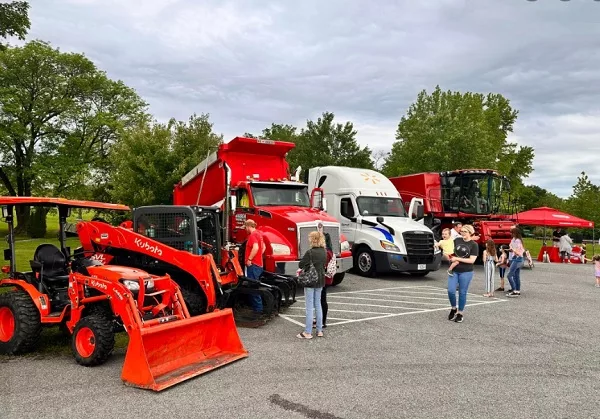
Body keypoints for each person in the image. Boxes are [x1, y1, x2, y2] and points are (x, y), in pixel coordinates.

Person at [297, 231, 327, 339]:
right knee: (318, 304)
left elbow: (301, 264)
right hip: (320, 280)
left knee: (309, 307)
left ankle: (308, 332)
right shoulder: (324, 251)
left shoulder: (310, 252)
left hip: (310, 280)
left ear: (313, 239)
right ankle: (319, 330)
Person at [447, 224, 479, 323]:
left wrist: (457, 259)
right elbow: (450, 251)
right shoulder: (457, 240)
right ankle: (453, 308)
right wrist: (450, 257)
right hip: (454, 270)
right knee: (451, 291)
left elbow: (471, 260)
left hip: (466, 271)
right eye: (461, 232)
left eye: (465, 232)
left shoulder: (474, 245)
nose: (462, 233)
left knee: (462, 292)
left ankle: (460, 313)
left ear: (470, 233)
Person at [244, 219, 265, 313]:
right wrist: (258, 255)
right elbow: (263, 247)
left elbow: (255, 247)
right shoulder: (259, 234)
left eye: (245, 227)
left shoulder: (252, 235)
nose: (245, 229)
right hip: (259, 264)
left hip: (253, 265)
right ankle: (258, 308)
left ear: (248, 226)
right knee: (256, 286)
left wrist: (250, 259)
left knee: (253, 288)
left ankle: (258, 310)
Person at [506, 227, 524, 297]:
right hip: (515, 257)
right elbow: (511, 246)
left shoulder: (518, 241)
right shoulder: (514, 239)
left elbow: (517, 251)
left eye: (512, 232)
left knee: (509, 275)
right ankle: (517, 290)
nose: (511, 234)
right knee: (516, 275)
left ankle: (514, 290)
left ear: (515, 233)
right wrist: (511, 249)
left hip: (518, 258)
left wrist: (512, 249)